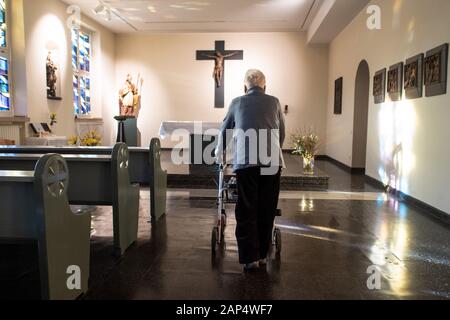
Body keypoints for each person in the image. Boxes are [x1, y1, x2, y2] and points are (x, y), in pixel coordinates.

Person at [216, 69, 286, 271]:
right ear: (265, 85)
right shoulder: (274, 102)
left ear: (245, 86)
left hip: (246, 163)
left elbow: (225, 130)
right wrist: (275, 150)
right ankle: (263, 255)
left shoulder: (237, 102)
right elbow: (281, 131)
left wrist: (219, 154)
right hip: (271, 163)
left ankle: (249, 258)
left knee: (247, 208)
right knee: (267, 208)